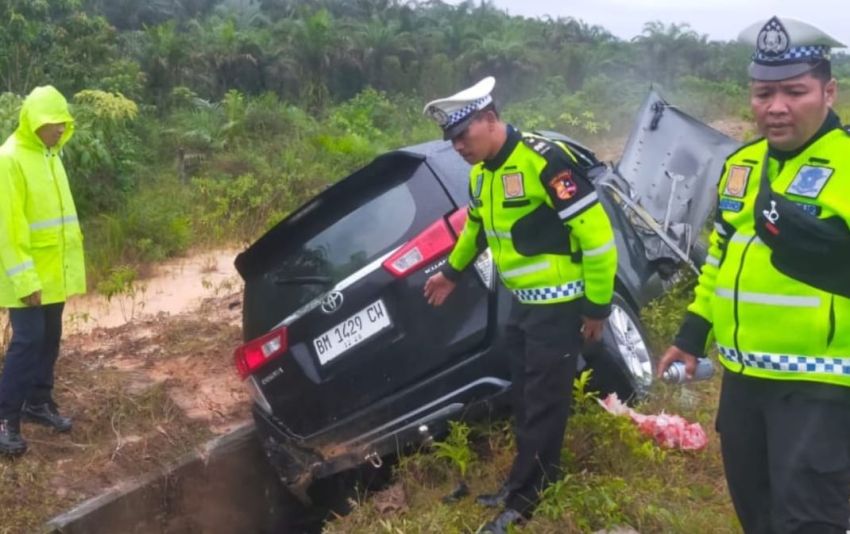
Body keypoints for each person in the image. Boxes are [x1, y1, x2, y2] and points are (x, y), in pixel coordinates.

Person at [657, 16, 850, 534]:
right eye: (764, 93)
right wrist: (693, 333)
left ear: (828, 91)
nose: (777, 107)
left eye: (795, 91)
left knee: (811, 521)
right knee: (757, 513)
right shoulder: (741, 166)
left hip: (822, 386)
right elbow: (720, 257)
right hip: (743, 383)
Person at [422, 77, 618, 533]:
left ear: (490, 120)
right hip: (523, 305)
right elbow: (477, 230)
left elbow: (597, 237)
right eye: (450, 141)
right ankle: (521, 484)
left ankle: (527, 499)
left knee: (545, 402)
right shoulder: (481, 177)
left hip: (562, 305)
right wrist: (451, 273)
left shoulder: (544, 161)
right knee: (526, 398)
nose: (458, 148)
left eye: (463, 136)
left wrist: (597, 308)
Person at [0, 86, 86, 456]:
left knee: (50, 337)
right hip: (26, 277)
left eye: (63, 123)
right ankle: (6, 419)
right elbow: (9, 228)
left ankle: (39, 401)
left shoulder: (53, 156)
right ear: (33, 121)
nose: (58, 129)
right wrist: (25, 280)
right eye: (52, 123)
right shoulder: (10, 158)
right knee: (27, 342)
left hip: (54, 274)